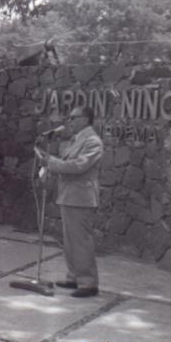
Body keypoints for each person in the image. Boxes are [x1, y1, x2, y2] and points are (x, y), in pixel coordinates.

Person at [35, 106, 103, 298]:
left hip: (81, 198)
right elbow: (67, 163)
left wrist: (51, 162)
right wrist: (48, 162)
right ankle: (74, 276)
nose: (69, 121)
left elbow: (78, 166)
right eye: (70, 118)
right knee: (70, 241)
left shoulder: (93, 142)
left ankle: (88, 283)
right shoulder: (76, 140)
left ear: (86, 119)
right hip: (69, 195)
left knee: (81, 241)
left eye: (74, 118)